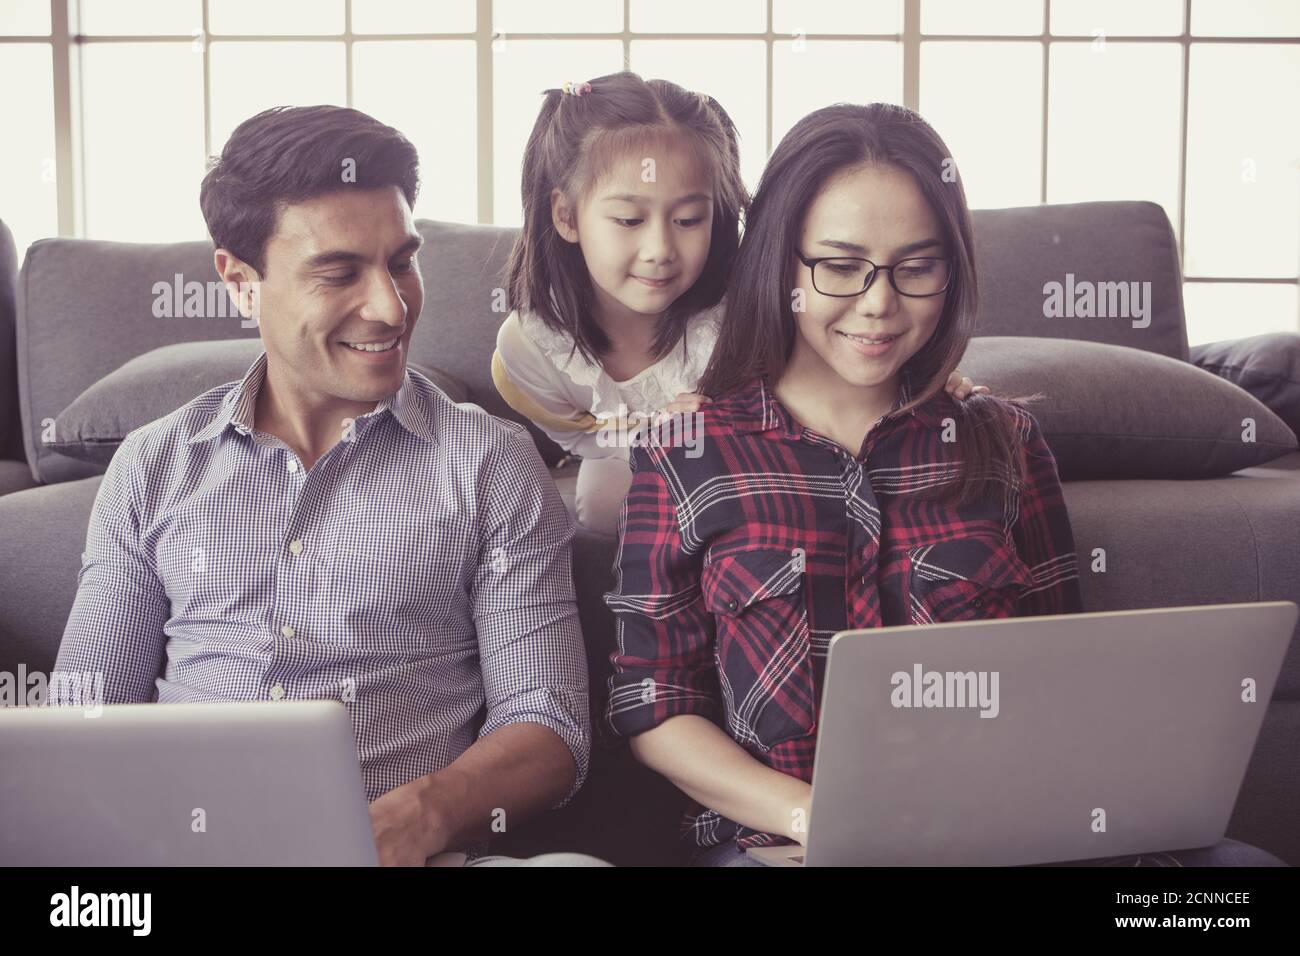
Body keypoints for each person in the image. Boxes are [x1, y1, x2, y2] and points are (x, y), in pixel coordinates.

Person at [603, 102, 1286, 868]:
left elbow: (1063, 673)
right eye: (839, 264)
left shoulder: (1004, 444)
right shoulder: (686, 453)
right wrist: (813, 817)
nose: (879, 303)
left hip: (1002, 838)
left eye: (917, 267)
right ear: (780, 264)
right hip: (786, 846)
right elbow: (653, 703)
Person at [54, 104, 605, 867]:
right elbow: (80, 718)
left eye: (402, 261)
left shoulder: (490, 464)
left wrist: (424, 814)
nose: (390, 306)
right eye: (339, 272)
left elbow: (550, 729)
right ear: (240, 281)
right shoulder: (154, 465)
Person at [490, 72, 985, 534]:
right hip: (621, 455)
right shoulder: (532, 347)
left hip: (747, 448)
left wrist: (927, 378)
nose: (660, 250)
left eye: (688, 220)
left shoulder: (737, 308)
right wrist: (646, 438)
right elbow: (576, 433)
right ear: (566, 215)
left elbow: (834, 359)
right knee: (606, 503)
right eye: (628, 221)